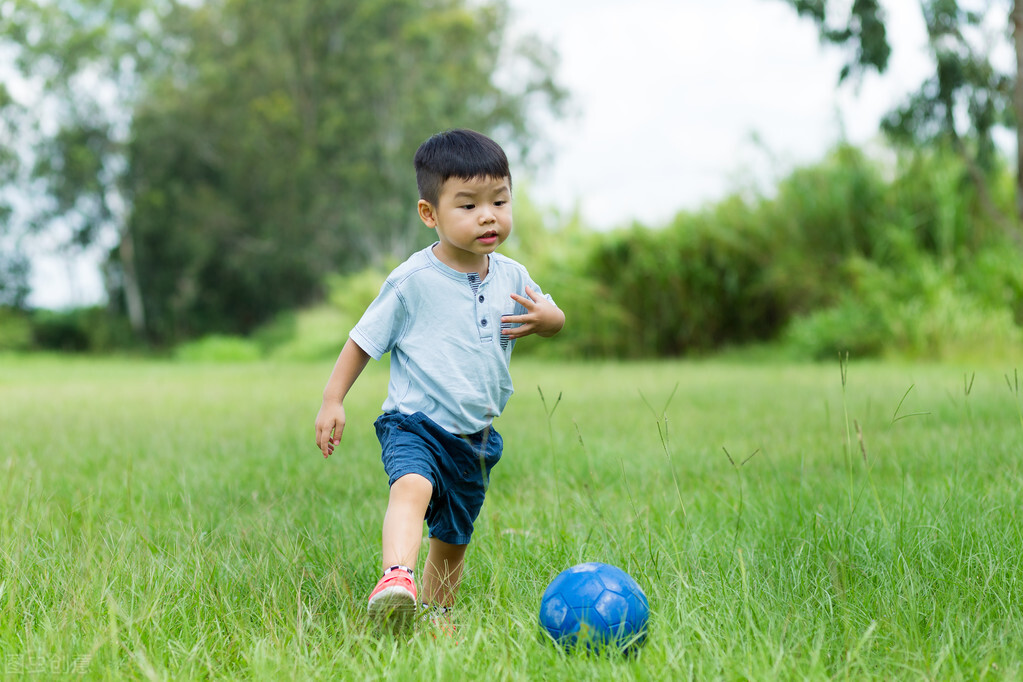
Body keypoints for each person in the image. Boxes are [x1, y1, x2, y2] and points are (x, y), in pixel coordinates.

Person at [314, 129, 565, 631]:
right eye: (468, 205)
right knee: (412, 486)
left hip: (475, 436)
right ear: (430, 213)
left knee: (453, 538)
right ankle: (396, 578)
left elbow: (555, 314)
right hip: (415, 423)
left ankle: (436, 613)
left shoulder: (513, 276)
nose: (489, 215)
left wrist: (547, 320)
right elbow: (363, 340)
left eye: (499, 200)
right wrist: (332, 399)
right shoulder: (413, 281)